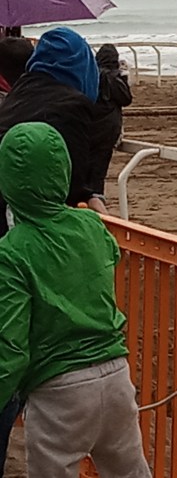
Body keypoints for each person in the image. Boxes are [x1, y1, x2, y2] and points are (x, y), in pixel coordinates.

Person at [0, 122, 150, 477]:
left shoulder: (12, 251)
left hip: (58, 389)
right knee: (130, 470)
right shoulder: (91, 225)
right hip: (115, 374)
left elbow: (12, 346)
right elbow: (110, 255)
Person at [0, 26, 104, 237]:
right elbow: (71, 175)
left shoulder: (19, 90)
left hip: (8, 196)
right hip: (30, 218)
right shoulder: (72, 104)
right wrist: (88, 196)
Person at [89, 44, 133, 200]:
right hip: (107, 128)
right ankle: (96, 199)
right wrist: (124, 78)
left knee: (86, 168)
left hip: (88, 125)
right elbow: (126, 99)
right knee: (99, 170)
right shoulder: (113, 77)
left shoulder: (89, 74)